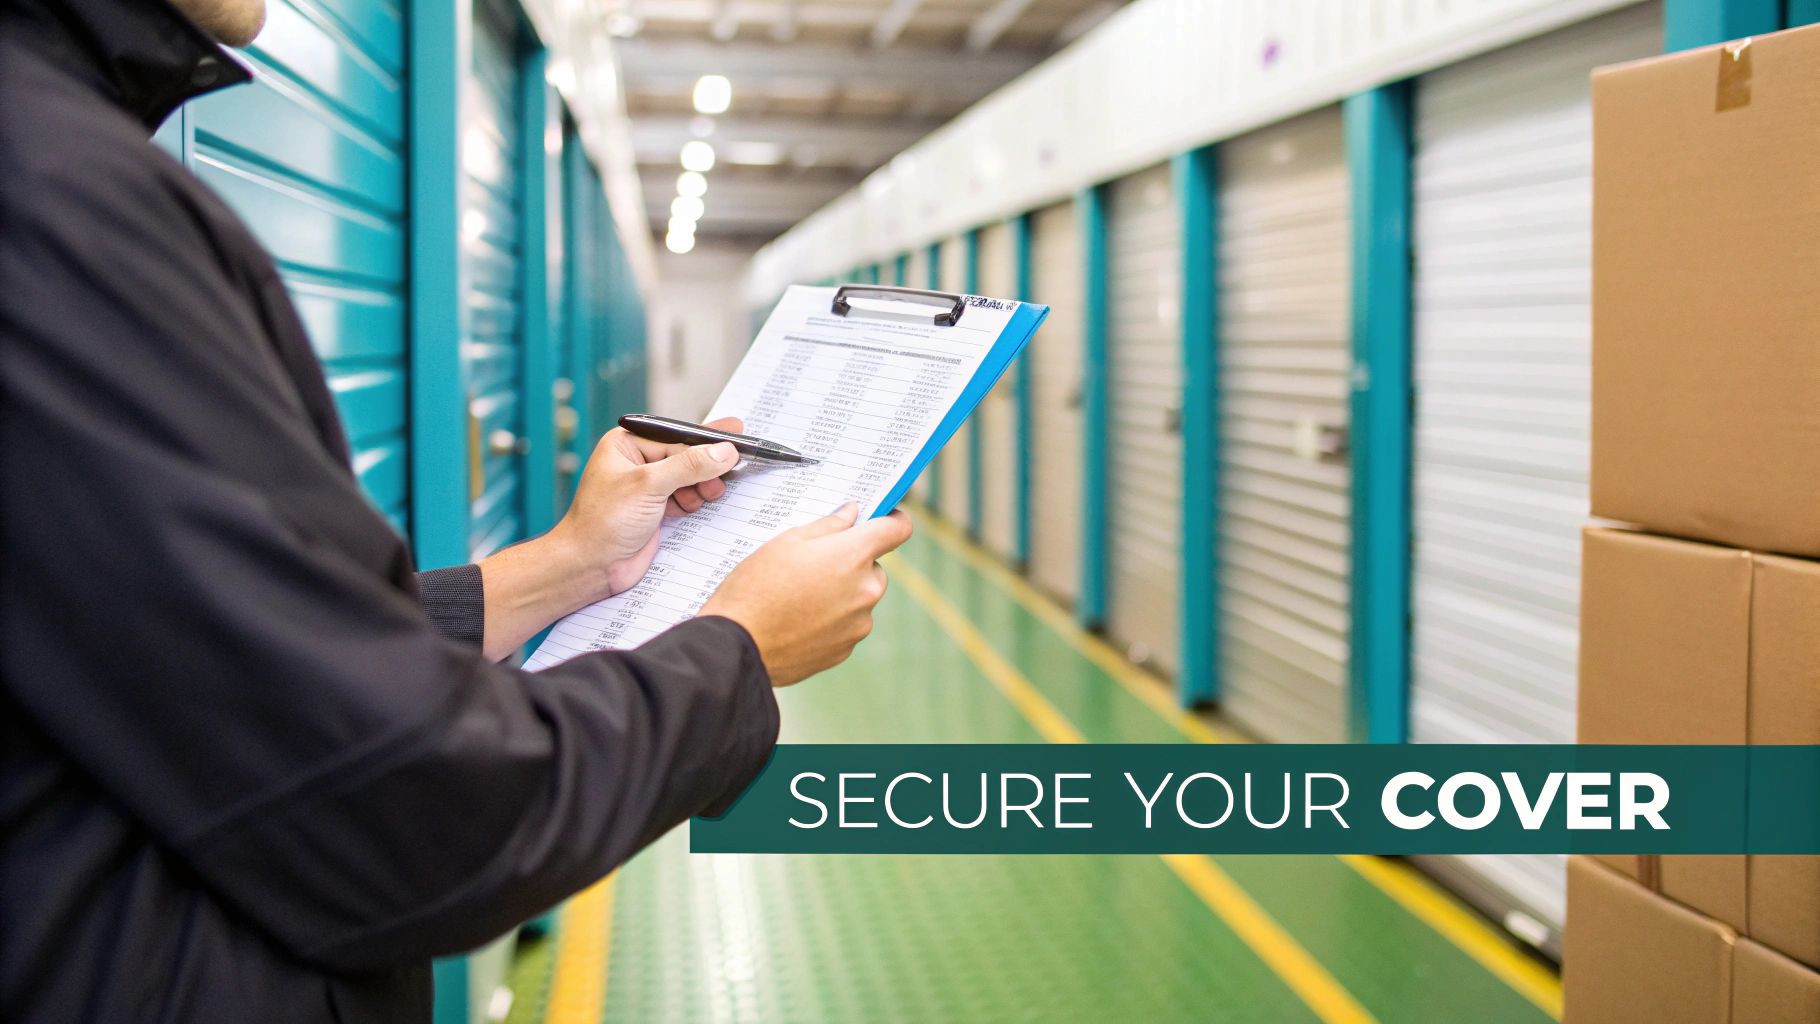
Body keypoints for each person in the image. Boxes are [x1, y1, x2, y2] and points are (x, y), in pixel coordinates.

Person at [0, 0, 914, 1019]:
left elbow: (203, 660)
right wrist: (738, 651)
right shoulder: (57, 196)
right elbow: (403, 809)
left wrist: (574, 562)